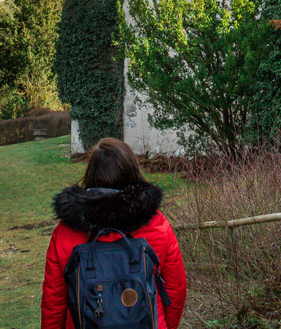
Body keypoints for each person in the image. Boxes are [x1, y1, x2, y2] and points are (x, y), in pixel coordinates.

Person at [41, 138, 187, 329]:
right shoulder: (157, 225)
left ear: (90, 173)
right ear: (131, 170)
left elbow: (54, 301)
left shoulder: (66, 231)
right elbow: (176, 289)